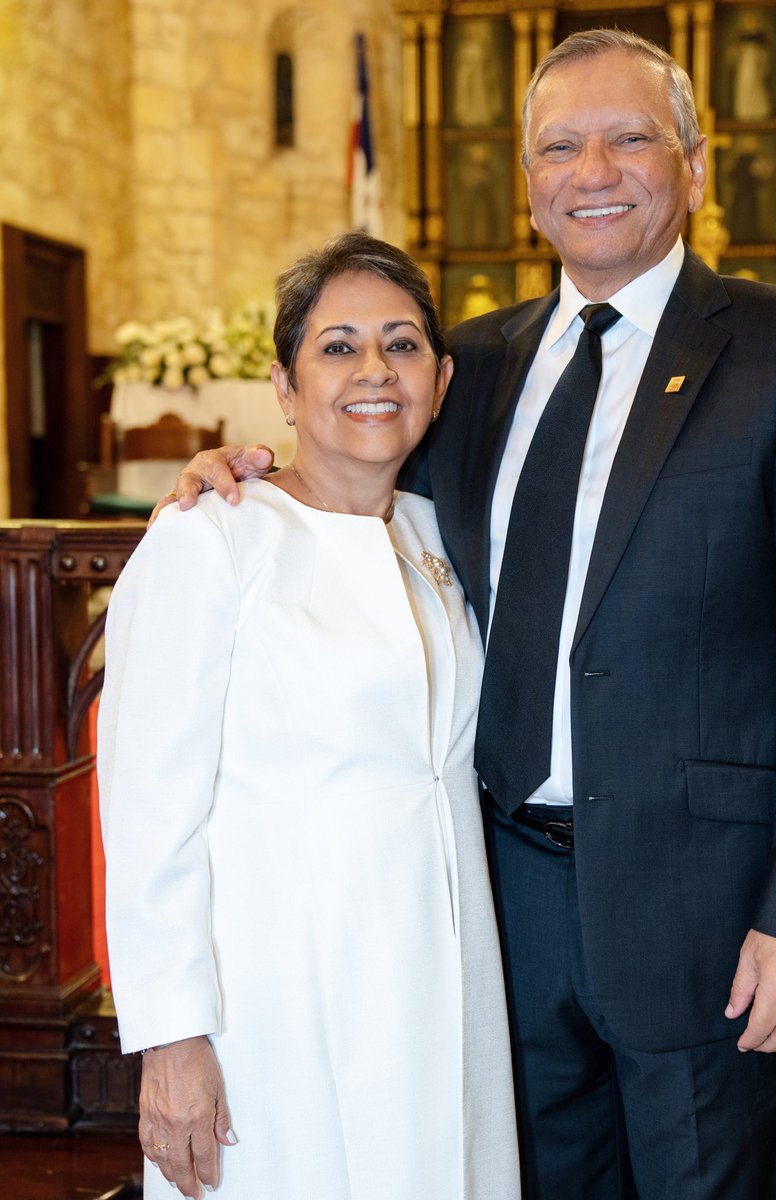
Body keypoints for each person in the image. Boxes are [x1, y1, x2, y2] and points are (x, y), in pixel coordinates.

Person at [163, 30, 776, 1200]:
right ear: (526, 181)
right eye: (560, 147)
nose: (591, 171)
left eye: (629, 139)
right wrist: (241, 473)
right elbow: (354, 482)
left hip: (712, 923)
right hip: (496, 916)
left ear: (695, 166)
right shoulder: (468, 365)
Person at [99, 233, 520, 1200]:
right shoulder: (215, 538)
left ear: (441, 380)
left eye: (402, 344)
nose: (375, 370)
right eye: (338, 347)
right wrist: (172, 1036)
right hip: (278, 997)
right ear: (285, 389)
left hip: (443, 983)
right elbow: (149, 810)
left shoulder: (435, 535)